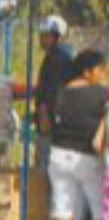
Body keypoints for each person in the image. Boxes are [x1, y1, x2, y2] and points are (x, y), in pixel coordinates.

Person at [49, 49, 108, 220]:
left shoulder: (61, 92)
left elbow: (49, 122)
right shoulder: (102, 94)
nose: (103, 75)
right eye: (100, 70)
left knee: (62, 208)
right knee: (99, 212)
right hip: (87, 157)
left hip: (59, 154)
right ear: (88, 71)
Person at [35, 16, 75, 168]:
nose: (42, 39)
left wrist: (45, 115)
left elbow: (56, 90)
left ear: (58, 37)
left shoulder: (59, 59)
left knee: (48, 167)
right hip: (52, 121)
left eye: (47, 36)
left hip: (53, 123)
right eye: (41, 35)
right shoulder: (52, 57)